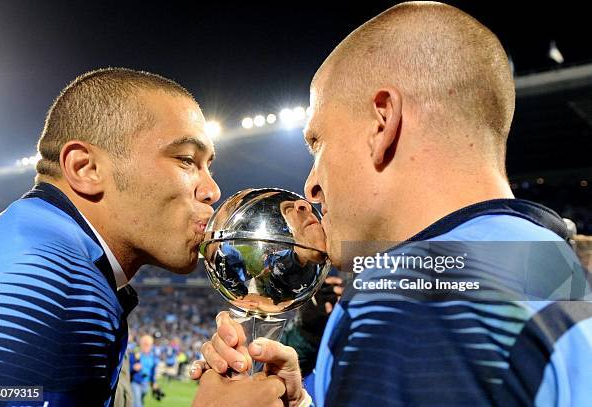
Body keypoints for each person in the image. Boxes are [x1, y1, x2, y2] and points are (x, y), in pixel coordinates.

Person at [191, 2, 592, 406]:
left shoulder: (404, 298)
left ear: (382, 123)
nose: (311, 185)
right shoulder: (548, 259)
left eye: (318, 143)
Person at [0, 68, 285, 406]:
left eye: (208, 165)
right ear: (86, 169)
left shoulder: (23, 238)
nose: (212, 190)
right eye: (186, 160)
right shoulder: (60, 280)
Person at [130, 335, 159, 407]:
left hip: (145, 384)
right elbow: (126, 368)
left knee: (141, 402)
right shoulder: (135, 355)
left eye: (148, 344)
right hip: (135, 382)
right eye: (144, 344)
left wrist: (154, 383)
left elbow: (152, 372)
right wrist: (133, 367)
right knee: (137, 404)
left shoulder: (152, 357)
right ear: (141, 344)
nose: (146, 346)